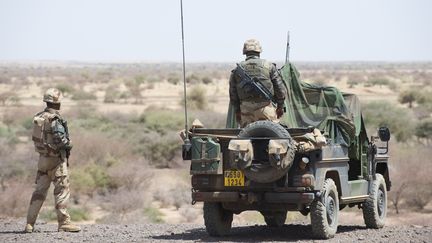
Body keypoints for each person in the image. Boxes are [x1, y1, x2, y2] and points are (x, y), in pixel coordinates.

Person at [24, 88, 80, 233]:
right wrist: (69, 144)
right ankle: (64, 223)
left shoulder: (39, 117)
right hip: (56, 161)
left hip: (42, 160)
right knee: (62, 190)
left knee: (39, 192)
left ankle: (29, 224)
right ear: (57, 103)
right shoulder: (55, 119)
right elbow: (61, 140)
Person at [229, 39, 286, 127]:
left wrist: (237, 111)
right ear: (259, 51)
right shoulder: (269, 66)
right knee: (273, 136)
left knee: (246, 137)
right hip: (266, 108)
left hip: (246, 110)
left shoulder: (237, 70)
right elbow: (280, 89)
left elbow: (233, 94)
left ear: (245, 51)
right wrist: (280, 106)